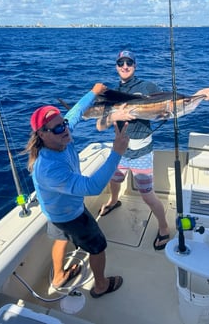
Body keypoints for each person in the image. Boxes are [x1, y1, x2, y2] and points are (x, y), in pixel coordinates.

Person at [25, 83, 130, 298]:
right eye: (56, 128)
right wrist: (116, 152)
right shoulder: (49, 168)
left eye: (62, 124)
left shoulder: (62, 135)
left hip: (53, 212)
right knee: (98, 247)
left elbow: (75, 112)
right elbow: (92, 187)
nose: (64, 129)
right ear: (42, 135)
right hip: (70, 215)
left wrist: (93, 91)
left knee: (61, 238)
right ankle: (100, 285)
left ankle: (58, 277)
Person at [96, 50, 170, 250]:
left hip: (141, 153)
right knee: (114, 180)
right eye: (121, 63)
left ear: (135, 65)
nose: (125, 66)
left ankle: (164, 228)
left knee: (147, 195)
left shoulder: (146, 86)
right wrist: (114, 117)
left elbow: (165, 108)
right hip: (119, 151)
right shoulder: (112, 94)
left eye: (129, 62)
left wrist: (166, 113)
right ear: (116, 66)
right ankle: (113, 201)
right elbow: (100, 126)